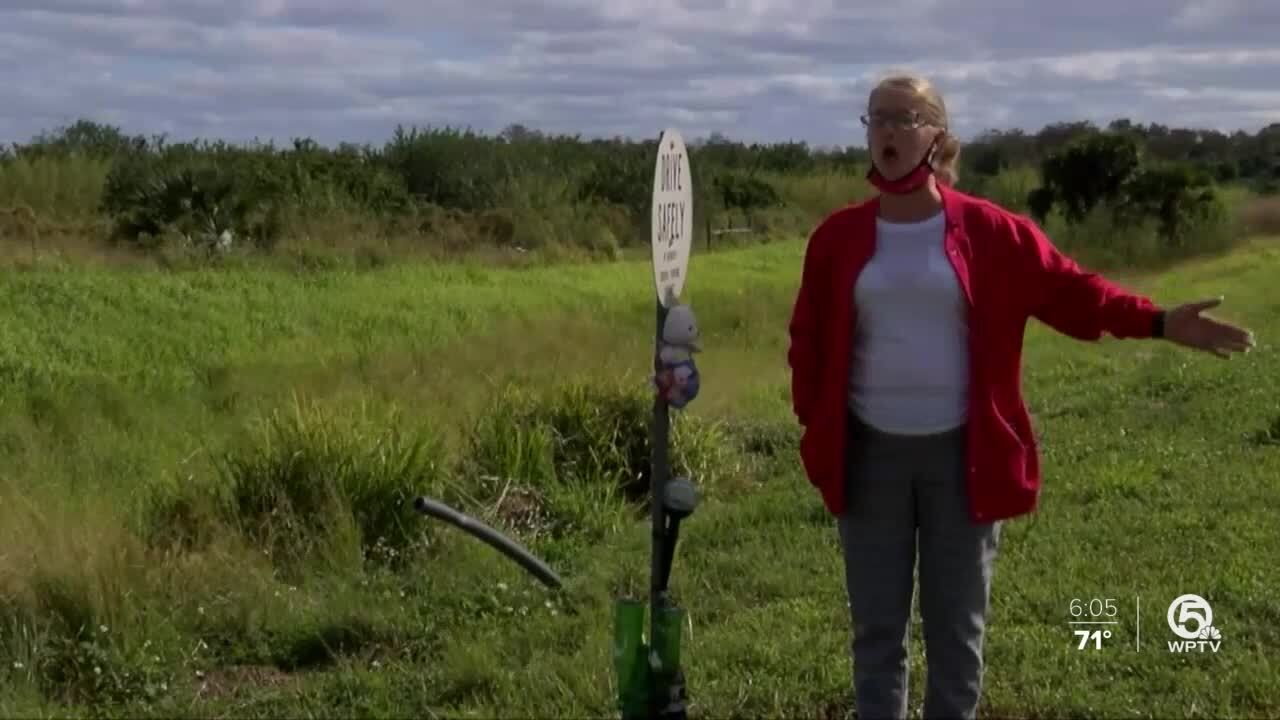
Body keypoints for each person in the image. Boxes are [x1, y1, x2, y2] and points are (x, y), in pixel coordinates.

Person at [786, 71, 1256, 719]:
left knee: (956, 635)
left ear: (936, 135)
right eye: (876, 120)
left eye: (903, 118)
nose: (887, 132)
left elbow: (1075, 294)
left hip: (964, 457)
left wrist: (1159, 320)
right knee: (877, 635)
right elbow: (806, 341)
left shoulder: (992, 232)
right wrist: (815, 423)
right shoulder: (836, 239)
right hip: (870, 457)